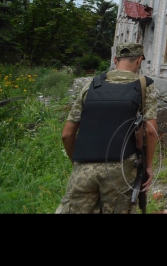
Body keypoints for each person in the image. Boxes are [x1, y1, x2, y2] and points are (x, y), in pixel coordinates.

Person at [56, 43, 159, 214]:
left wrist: (78, 163)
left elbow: (67, 134)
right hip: (121, 167)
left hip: (84, 167)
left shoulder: (91, 84)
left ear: (115, 59)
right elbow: (150, 130)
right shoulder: (144, 85)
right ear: (139, 60)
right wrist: (148, 166)